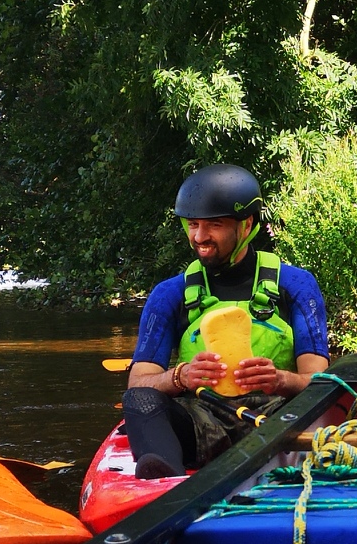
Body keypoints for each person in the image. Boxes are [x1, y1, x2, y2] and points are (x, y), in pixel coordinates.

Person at [123, 164, 329, 479]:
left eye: (214, 225)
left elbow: (319, 381)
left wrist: (281, 380)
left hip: (275, 421)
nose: (199, 237)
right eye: (192, 224)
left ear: (246, 225)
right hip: (200, 421)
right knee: (139, 399)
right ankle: (165, 479)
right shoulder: (169, 294)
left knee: (314, 406)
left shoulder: (296, 285)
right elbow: (139, 382)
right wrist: (181, 377)